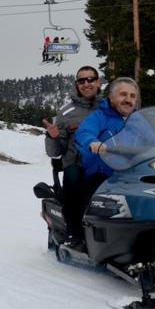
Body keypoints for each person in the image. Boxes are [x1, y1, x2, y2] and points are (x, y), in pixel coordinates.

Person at [42, 66, 102, 247]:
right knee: (75, 182)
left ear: (98, 82)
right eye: (81, 81)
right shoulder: (66, 113)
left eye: (90, 79)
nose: (86, 84)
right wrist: (52, 137)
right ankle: (74, 233)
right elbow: (55, 152)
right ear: (77, 85)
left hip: (106, 163)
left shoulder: (108, 107)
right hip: (77, 163)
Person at [75, 77, 140, 209]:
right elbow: (84, 132)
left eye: (132, 96)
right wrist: (93, 143)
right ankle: (81, 227)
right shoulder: (100, 116)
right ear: (111, 97)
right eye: (123, 94)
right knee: (92, 205)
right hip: (104, 175)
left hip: (134, 174)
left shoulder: (139, 121)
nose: (128, 99)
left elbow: (154, 140)